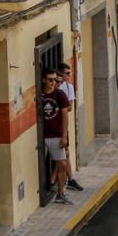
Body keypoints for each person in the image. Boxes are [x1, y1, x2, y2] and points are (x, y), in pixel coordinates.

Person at [39, 67, 73, 205]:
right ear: (43, 80)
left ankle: (60, 193)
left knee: (62, 164)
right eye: (50, 80)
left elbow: (65, 117)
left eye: (55, 80)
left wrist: (64, 136)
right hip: (41, 137)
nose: (53, 82)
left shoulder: (60, 96)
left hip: (56, 136)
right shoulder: (39, 96)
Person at [55, 64, 84, 193]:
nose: (69, 75)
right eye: (67, 73)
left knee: (65, 153)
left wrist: (62, 108)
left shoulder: (69, 87)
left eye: (70, 73)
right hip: (55, 124)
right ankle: (62, 180)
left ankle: (68, 179)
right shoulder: (55, 87)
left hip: (63, 124)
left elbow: (70, 107)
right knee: (62, 154)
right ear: (60, 74)